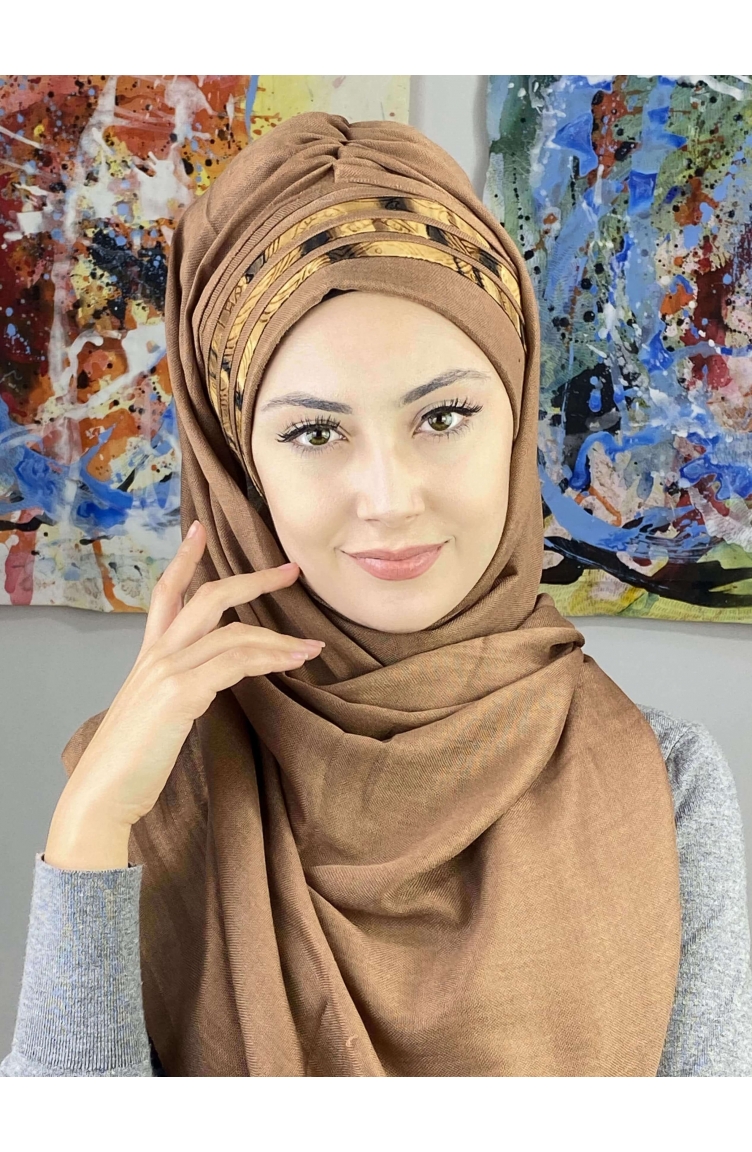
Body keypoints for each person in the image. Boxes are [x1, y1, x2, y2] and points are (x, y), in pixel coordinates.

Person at [2, 111, 751, 1077]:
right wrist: (92, 828)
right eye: (315, 434)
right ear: (240, 472)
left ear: (515, 421)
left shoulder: (666, 783)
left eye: (444, 416)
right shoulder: (149, 785)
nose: (391, 499)